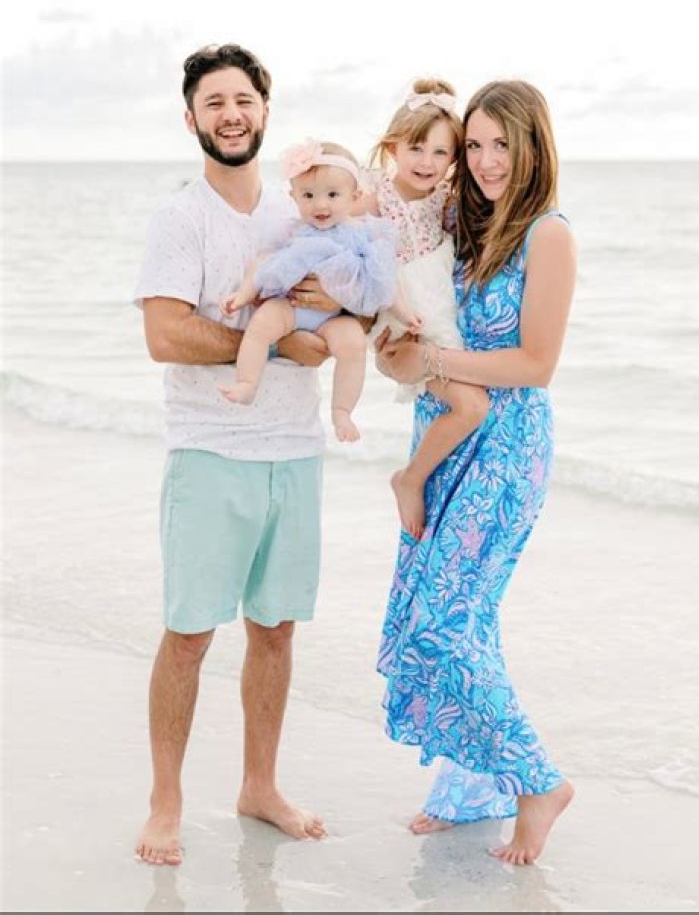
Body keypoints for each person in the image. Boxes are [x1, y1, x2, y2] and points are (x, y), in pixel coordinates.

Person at [133, 43, 337, 865]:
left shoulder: (300, 213)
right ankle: (166, 802)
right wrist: (274, 344)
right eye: (214, 102)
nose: (231, 114)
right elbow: (165, 333)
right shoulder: (181, 218)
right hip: (210, 450)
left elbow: (337, 306)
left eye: (243, 100)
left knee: (276, 630)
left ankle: (259, 786)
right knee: (189, 635)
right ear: (191, 120)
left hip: (296, 449)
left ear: (265, 111)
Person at [375, 79, 577, 865]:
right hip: (444, 438)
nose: (488, 161)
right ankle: (472, 788)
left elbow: (534, 364)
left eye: (503, 145)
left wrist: (430, 363)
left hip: (506, 448)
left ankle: (538, 782)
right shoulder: (465, 223)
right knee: (466, 619)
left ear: (533, 147)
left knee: (443, 623)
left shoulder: (548, 235)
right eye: (476, 146)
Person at [219, 139, 419, 442]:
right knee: (261, 325)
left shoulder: (363, 234)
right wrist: (243, 294)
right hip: (290, 307)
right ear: (294, 197)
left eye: (333, 195)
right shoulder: (292, 231)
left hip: (333, 318)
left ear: (355, 196)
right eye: (308, 195)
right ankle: (247, 383)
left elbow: (386, 280)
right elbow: (262, 264)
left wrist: (405, 314)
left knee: (353, 344)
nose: (320, 205)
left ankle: (342, 411)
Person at [359, 79, 490, 538]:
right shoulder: (374, 198)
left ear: (453, 159)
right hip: (404, 317)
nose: (427, 162)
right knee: (472, 405)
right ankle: (410, 478)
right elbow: (337, 239)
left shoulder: (445, 202)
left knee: (473, 400)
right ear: (393, 147)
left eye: (440, 152)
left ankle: (428, 477)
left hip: (438, 308)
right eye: (416, 148)